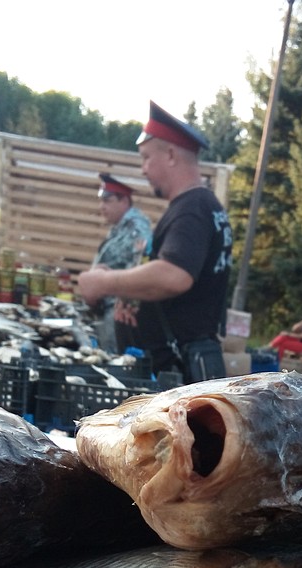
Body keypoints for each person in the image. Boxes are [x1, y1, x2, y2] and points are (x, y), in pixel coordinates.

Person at [77, 102, 233, 383]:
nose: (143, 169)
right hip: (179, 368)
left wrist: (105, 282)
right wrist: (134, 294)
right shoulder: (200, 205)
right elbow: (184, 286)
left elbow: (175, 276)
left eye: (147, 158)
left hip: (178, 376)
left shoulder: (192, 208)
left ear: (171, 154)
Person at [84, 173, 152, 354]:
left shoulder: (137, 228)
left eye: (107, 200)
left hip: (120, 314)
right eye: (101, 200)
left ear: (124, 201)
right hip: (108, 313)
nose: (102, 207)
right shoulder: (121, 227)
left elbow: (139, 269)